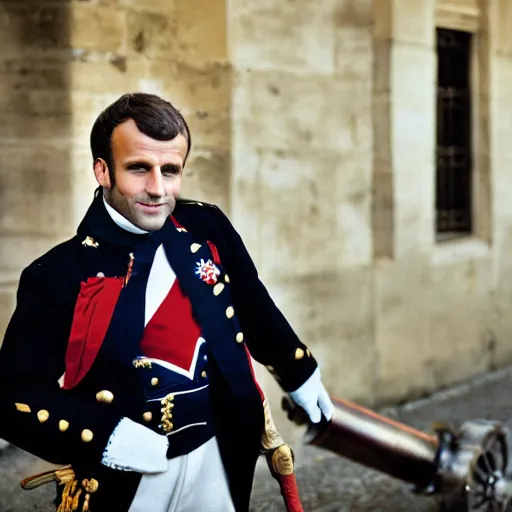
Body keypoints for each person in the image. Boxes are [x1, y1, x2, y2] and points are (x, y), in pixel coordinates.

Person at [0, 93, 333, 512]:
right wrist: (104, 436)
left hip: (220, 450)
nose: (157, 189)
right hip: (126, 475)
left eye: (170, 170)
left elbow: (250, 299)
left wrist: (297, 367)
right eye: (139, 168)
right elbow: (12, 397)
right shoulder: (57, 273)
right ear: (102, 170)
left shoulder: (205, 225)